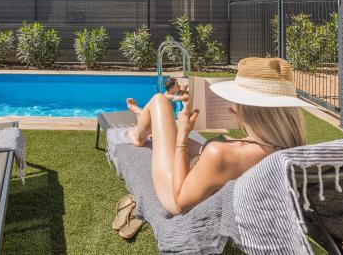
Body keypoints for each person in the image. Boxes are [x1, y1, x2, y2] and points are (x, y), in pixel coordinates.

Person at [125, 57, 313, 216]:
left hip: (176, 195)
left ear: (246, 107)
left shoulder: (221, 153)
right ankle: (142, 118)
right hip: (220, 173)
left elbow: (180, 203)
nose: (232, 107)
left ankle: (139, 133)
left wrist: (183, 136)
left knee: (160, 101)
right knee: (166, 130)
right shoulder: (294, 148)